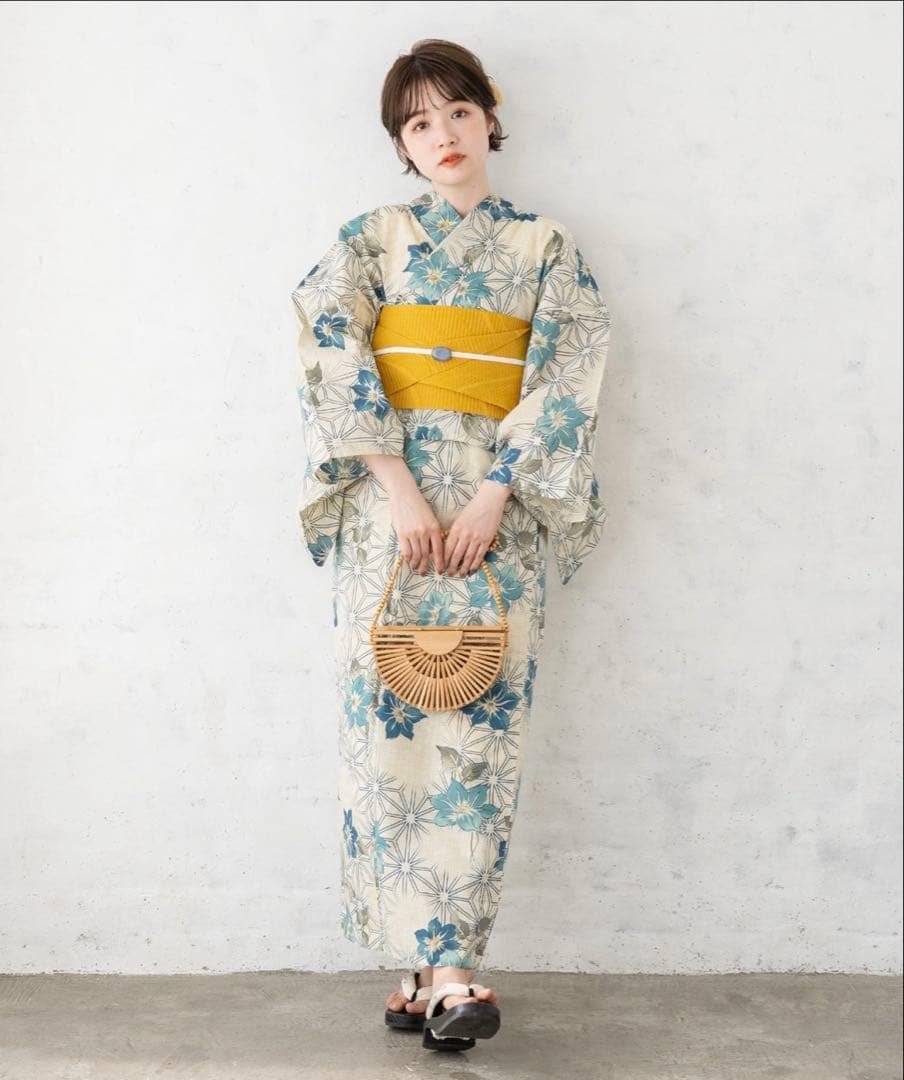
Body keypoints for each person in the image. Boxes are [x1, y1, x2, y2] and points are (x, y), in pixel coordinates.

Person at [290, 38, 612, 1052]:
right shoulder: (369, 240)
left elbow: (568, 371)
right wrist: (396, 486)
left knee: (479, 726)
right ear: (401, 144)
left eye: (458, 112)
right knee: (383, 722)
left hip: (494, 515)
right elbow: (330, 349)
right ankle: (419, 964)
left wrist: (494, 494)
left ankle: (453, 967)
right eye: (419, 122)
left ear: (490, 119)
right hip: (386, 515)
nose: (443, 135)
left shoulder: (545, 248)